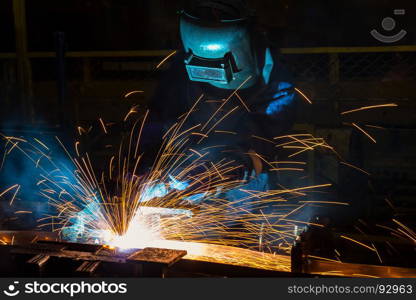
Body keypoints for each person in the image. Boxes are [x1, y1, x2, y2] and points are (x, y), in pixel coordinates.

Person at [143, 0, 298, 196]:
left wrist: (222, 173)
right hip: (180, 167)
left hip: (240, 180)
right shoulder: (181, 66)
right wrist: (145, 163)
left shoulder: (272, 73)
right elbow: (158, 117)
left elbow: (264, 142)